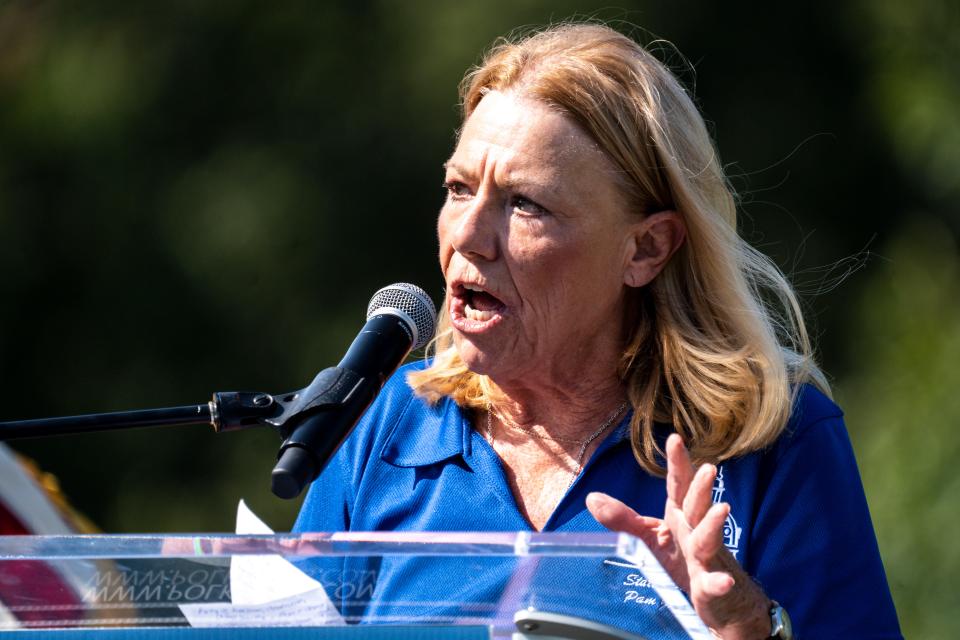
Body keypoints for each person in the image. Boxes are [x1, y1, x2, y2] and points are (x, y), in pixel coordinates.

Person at [294, 22, 902, 639]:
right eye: (458, 188)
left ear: (646, 247)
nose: (468, 237)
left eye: (525, 204)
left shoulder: (772, 444)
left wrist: (747, 626)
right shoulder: (382, 423)